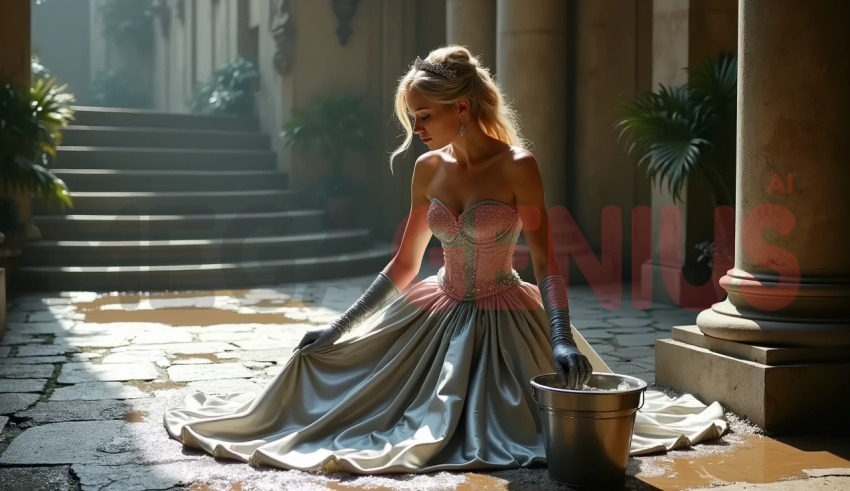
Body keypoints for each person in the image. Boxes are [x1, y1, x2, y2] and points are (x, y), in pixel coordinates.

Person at [164, 46, 727, 474]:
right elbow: (406, 266)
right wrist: (336, 327)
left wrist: (559, 336)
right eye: (412, 118)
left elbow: (548, 261)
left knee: (499, 425)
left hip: (507, 316)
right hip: (436, 306)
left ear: (461, 106)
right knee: (323, 378)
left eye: (423, 116)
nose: (416, 129)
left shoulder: (518, 167)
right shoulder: (427, 169)